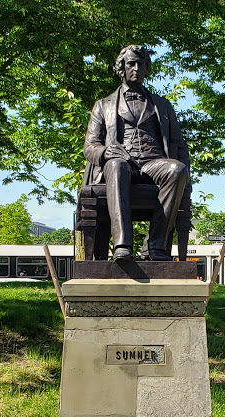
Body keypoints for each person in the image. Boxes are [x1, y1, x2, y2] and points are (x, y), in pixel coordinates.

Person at [80, 45, 190, 261]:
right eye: (131, 64)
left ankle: (156, 246)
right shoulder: (104, 105)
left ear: (147, 69)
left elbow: (179, 144)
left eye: (141, 64)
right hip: (123, 166)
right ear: (122, 68)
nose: (136, 68)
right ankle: (122, 245)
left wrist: (188, 178)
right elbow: (90, 146)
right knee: (115, 164)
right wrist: (105, 152)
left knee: (177, 169)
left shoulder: (162, 105)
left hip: (154, 163)